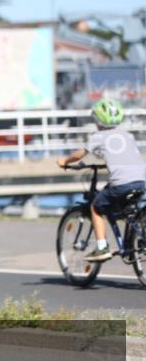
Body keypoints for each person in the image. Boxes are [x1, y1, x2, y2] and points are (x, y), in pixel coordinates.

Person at [57, 98, 146, 262]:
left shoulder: (98, 136)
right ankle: (133, 238)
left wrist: (65, 161)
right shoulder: (127, 135)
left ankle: (101, 247)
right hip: (141, 180)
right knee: (126, 208)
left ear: (98, 120)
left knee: (96, 206)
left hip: (121, 183)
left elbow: (79, 154)